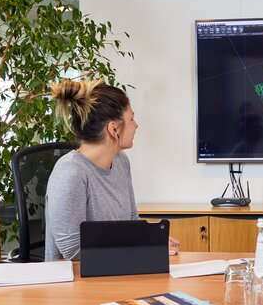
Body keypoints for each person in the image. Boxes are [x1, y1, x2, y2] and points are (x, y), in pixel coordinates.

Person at [45, 80, 179, 260]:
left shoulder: (121, 162)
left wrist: (151, 240)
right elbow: (73, 250)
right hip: (77, 281)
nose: (136, 125)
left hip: (116, 268)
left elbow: (131, 222)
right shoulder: (70, 172)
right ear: (113, 128)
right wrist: (138, 247)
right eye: (131, 119)